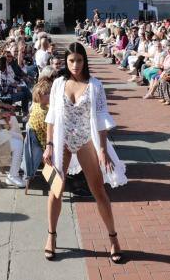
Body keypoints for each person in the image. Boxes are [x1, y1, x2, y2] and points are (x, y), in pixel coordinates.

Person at [42, 42, 125, 263]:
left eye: (79, 60)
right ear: (65, 62)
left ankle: (113, 238)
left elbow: (101, 119)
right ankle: (51, 236)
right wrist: (49, 145)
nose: (75, 65)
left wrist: (103, 149)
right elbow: (51, 117)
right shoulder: (59, 84)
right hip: (62, 141)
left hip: (86, 140)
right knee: (55, 191)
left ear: (84, 61)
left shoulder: (95, 85)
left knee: (98, 190)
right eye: (71, 60)